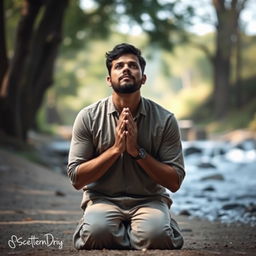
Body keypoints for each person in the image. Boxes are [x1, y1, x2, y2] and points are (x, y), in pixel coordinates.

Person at [67, 43, 185, 250]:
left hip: (149, 200)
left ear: (143, 78)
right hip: (102, 199)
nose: (126, 69)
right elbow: (76, 178)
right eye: (119, 66)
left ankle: (146, 228)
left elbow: (174, 182)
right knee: (96, 234)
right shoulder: (88, 117)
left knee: (157, 237)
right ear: (108, 79)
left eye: (133, 65)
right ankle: (128, 232)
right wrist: (115, 150)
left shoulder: (165, 120)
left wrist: (137, 152)